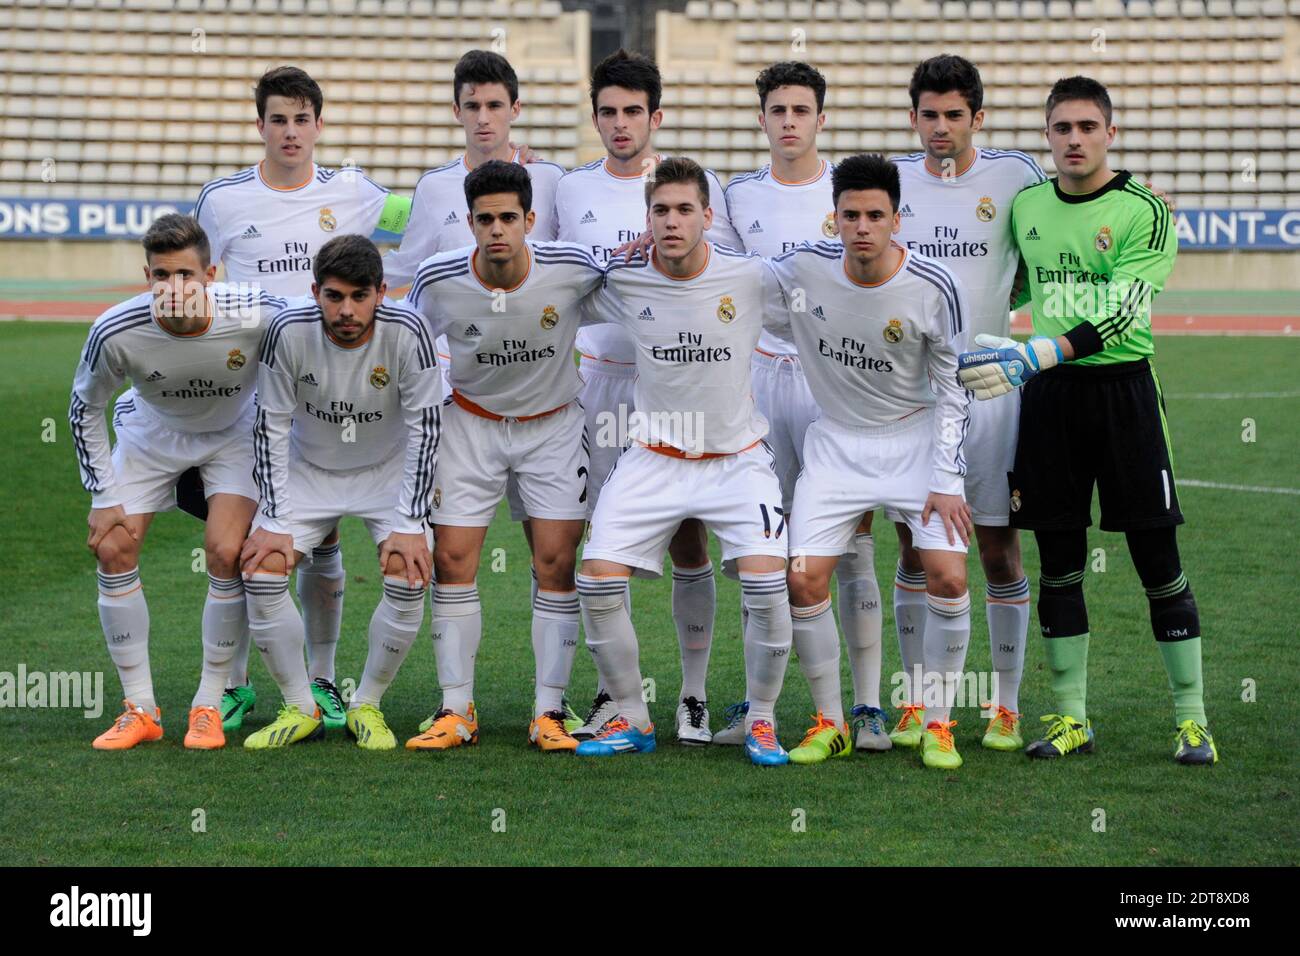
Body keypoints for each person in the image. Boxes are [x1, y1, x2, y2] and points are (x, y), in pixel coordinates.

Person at [957, 76, 1216, 765]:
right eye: (1062, 129)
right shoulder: (1028, 205)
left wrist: (1042, 348)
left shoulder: (1144, 211)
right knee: (1060, 563)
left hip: (1123, 395)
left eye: (1086, 127)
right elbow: (1008, 283)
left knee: (1157, 559)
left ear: (1110, 132)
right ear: (1047, 136)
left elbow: (1128, 309)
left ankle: (1192, 721)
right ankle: (1070, 718)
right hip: (1050, 401)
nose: (1074, 140)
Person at [69, 213, 282, 750]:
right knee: (113, 547)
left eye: (186, 274)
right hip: (151, 433)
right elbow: (84, 406)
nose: (174, 287)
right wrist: (102, 494)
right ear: (147, 277)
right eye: (161, 275)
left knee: (226, 551)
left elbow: (317, 330)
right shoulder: (116, 329)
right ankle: (139, 708)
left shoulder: (256, 313)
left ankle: (208, 704)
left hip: (233, 433)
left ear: (211, 274)